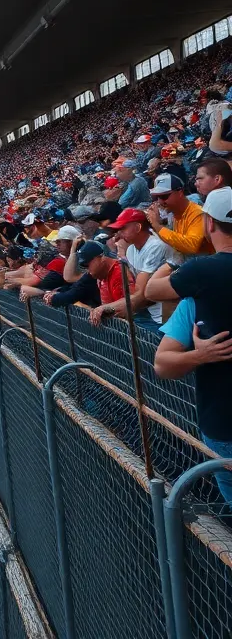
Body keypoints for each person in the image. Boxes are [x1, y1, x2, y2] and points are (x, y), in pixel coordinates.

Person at [146, 186, 232, 507]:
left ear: (209, 223)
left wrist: (200, 355)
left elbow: (163, 364)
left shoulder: (198, 280)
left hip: (224, 423)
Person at [103, 208, 178, 329]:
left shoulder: (156, 245)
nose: (119, 234)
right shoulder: (131, 249)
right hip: (149, 310)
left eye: (123, 228)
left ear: (137, 227)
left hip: (167, 312)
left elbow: (142, 292)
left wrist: (111, 308)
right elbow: (132, 286)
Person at [145, 173, 211, 258]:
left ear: (180, 193)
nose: (160, 202)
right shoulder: (174, 212)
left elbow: (192, 246)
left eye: (164, 196)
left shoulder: (197, 213)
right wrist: (160, 224)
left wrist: (158, 226)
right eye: (156, 197)